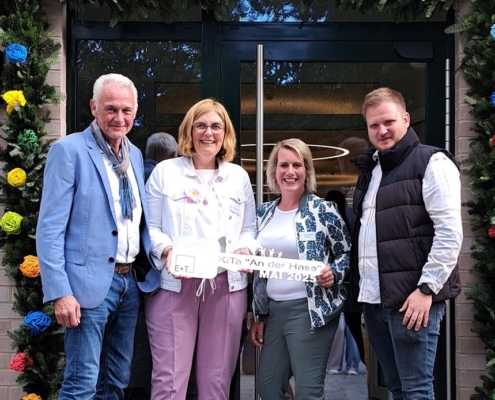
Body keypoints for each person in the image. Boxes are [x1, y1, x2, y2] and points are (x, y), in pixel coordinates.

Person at [36, 73, 160, 399]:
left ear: (135, 112)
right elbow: (49, 228)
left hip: (128, 284)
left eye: (126, 110)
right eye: (110, 109)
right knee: (82, 385)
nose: (119, 117)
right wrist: (61, 292)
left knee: (115, 383)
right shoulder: (69, 151)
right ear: (93, 107)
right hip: (85, 287)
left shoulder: (133, 155)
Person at [350, 87, 462, 399]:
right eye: (374, 125)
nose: (382, 130)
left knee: (416, 391)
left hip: (412, 301)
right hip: (374, 301)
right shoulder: (372, 170)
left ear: (406, 119)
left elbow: (450, 233)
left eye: (388, 122)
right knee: (397, 389)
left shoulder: (432, 162)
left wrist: (426, 289)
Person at [145, 98, 258, 400]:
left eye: (216, 126)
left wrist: (245, 250)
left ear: (226, 133)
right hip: (174, 285)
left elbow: (249, 229)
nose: (209, 133)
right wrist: (167, 250)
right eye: (201, 126)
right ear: (189, 131)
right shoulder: (165, 172)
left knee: (217, 382)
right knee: (169, 382)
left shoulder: (238, 177)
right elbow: (150, 228)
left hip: (225, 286)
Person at [249, 138, 351, 400]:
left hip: (309, 309)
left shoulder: (323, 210)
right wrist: (258, 315)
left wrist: (334, 272)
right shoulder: (263, 214)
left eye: (297, 165)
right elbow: (259, 270)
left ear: (307, 171)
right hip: (274, 311)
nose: (290, 171)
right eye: (283, 165)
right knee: (268, 387)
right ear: (274, 171)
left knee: (308, 391)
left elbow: (346, 253)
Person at [124, 132, 178, 400]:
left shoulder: (133, 173)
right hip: (153, 273)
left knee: (131, 343)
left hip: (130, 271)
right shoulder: (161, 177)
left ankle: (133, 391)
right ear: (166, 155)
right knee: (146, 345)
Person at [324, 190, 361, 376]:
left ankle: (334, 364)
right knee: (353, 327)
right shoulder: (351, 222)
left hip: (331, 282)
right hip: (351, 282)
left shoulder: (325, 223)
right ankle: (355, 364)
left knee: (335, 327)